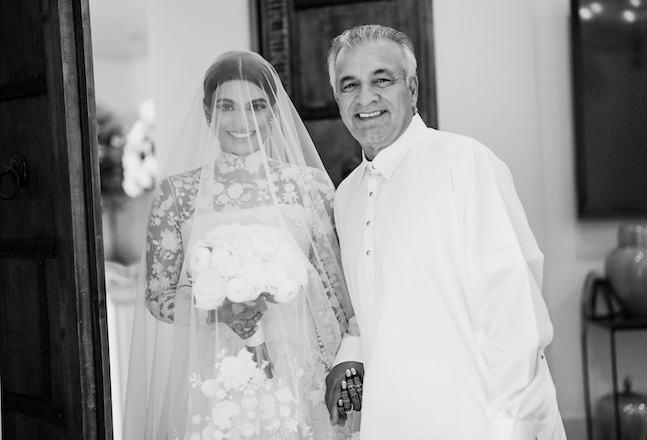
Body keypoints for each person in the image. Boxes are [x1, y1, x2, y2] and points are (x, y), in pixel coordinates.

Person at [324, 24, 567, 440]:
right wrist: (350, 354)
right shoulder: (346, 196)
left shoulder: (464, 163)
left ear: (413, 88)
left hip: (475, 416)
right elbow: (374, 306)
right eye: (350, 85)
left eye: (382, 79)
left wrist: (508, 426)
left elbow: (514, 314)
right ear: (337, 99)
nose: (366, 98)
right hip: (391, 418)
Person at [123, 50, 359, 440]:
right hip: (216, 371)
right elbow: (158, 295)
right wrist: (220, 309)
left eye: (256, 106)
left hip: (301, 366)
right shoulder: (178, 195)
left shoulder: (309, 187)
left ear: (273, 112)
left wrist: (342, 363)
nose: (241, 120)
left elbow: (336, 288)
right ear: (207, 113)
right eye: (226, 106)